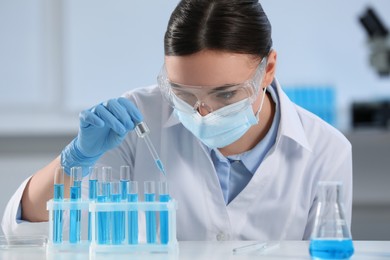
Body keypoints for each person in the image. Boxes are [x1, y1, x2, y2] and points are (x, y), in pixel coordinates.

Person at [2, 0, 352, 241]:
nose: (203, 111)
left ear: (268, 69)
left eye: (226, 94)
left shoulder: (326, 150)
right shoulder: (135, 118)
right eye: (183, 92)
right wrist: (75, 158)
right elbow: (26, 230)